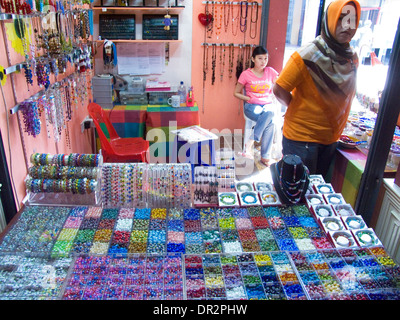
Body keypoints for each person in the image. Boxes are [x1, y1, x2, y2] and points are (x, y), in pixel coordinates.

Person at [273, 0, 361, 176]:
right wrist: (295, 106)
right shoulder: (308, 55)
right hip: (302, 139)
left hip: (330, 138)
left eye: (352, 19)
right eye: (341, 18)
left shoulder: (351, 58)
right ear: (330, 20)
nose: (347, 25)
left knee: (317, 193)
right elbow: (279, 88)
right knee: (297, 193)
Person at [234, 46, 279, 167]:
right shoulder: (246, 74)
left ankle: (250, 145)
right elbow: (236, 93)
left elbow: (280, 85)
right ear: (253, 59)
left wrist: (275, 96)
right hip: (251, 107)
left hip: (267, 105)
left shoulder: (271, 72)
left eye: (266, 58)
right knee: (270, 116)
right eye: (260, 58)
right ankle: (264, 156)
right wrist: (249, 98)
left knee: (270, 118)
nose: (263, 61)